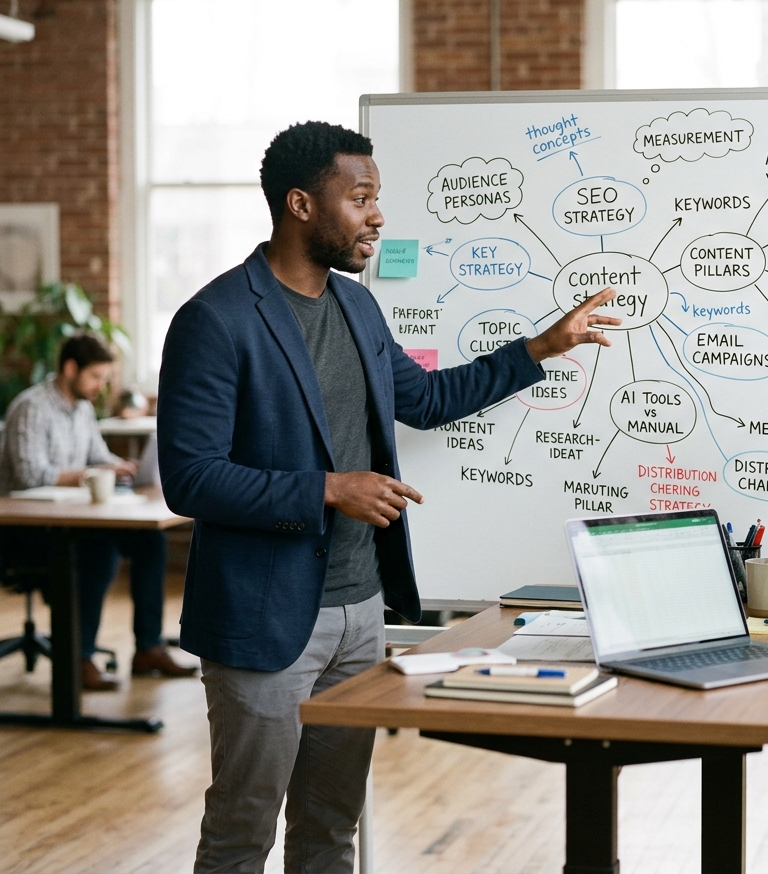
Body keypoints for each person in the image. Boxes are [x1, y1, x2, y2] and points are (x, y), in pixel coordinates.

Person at [156, 120, 620, 873]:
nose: (377, 215)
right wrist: (329, 489)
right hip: (262, 617)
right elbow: (191, 477)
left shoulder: (358, 308)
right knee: (245, 825)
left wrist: (543, 347)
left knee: (333, 822)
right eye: (361, 197)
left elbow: (429, 398)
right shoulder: (215, 320)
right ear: (302, 204)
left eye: (378, 197)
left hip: (359, 609)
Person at [0, 334, 196, 689]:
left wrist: (122, 466)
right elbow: (30, 476)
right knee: (98, 550)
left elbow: (97, 458)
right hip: (27, 528)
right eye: (95, 377)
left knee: (150, 541)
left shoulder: (82, 409)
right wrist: (94, 474)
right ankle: (78, 658)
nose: (101, 386)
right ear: (70, 368)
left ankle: (147, 647)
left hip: (72, 519)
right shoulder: (32, 408)